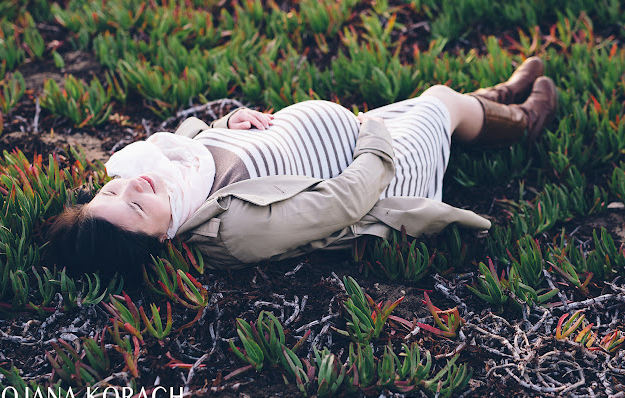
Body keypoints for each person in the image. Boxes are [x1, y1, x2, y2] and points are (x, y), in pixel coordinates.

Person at [47, 57, 557, 274]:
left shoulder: (180, 177)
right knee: (437, 102)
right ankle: (521, 120)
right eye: (137, 206)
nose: (134, 184)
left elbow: (204, 148)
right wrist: (369, 133)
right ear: (160, 239)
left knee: (429, 104)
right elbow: (346, 201)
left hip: (352, 140)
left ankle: (492, 101)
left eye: (109, 194)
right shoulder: (233, 231)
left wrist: (230, 123)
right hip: (384, 172)